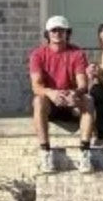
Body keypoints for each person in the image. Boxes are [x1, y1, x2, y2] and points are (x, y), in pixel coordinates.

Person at [29, 15, 95, 173]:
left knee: (88, 100)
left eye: (61, 30)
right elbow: (36, 86)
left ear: (67, 33)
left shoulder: (77, 53)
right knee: (38, 101)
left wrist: (75, 93)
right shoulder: (38, 55)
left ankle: (85, 152)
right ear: (48, 33)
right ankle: (45, 152)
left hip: (71, 102)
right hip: (50, 103)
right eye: (53, 30)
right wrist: (51, 93)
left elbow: (83, 85)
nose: (57, 33)